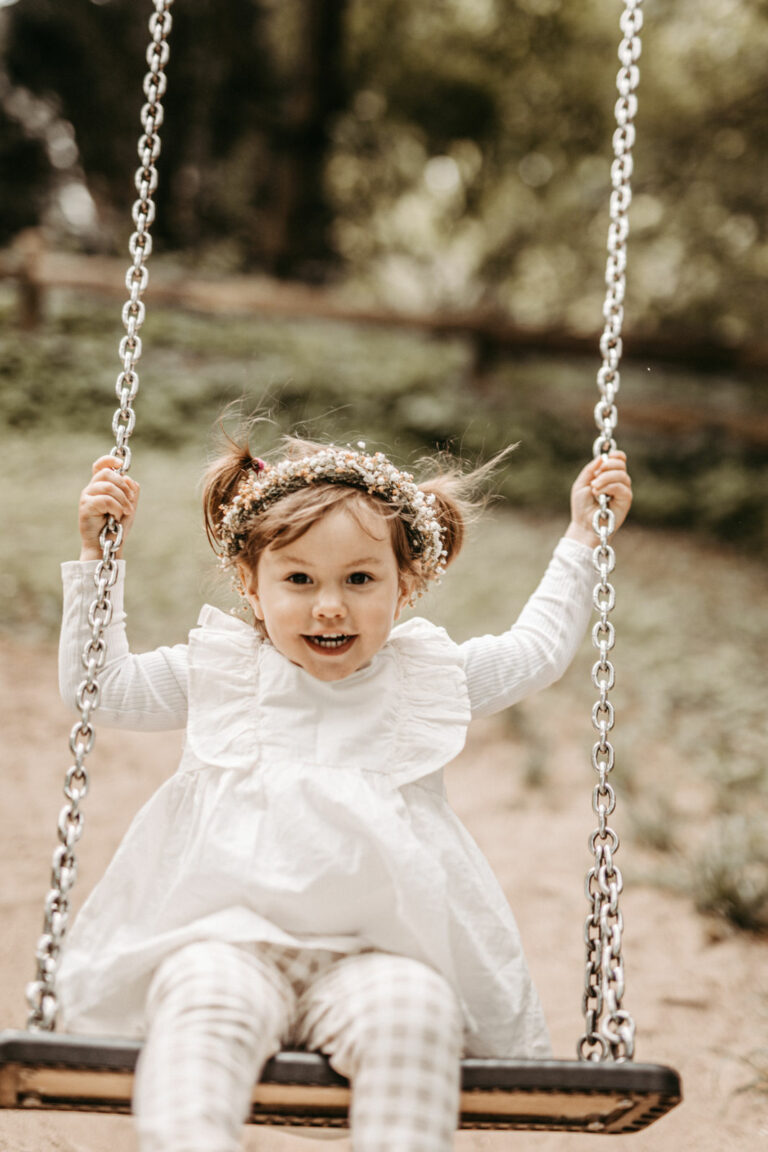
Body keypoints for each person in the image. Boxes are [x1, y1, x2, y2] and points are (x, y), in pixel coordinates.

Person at [58, 431, 632, 1152]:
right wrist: (96, 560)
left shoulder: (427, 679)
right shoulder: (220, 673)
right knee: (201, 1010)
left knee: (417, 1016)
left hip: (378, 957)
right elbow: (101, 690)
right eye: (298, 580)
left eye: (360, 580)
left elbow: (536, 652)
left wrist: (584, 535)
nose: (329, 606)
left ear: (406, 585)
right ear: (251, 584)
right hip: (227, 943)